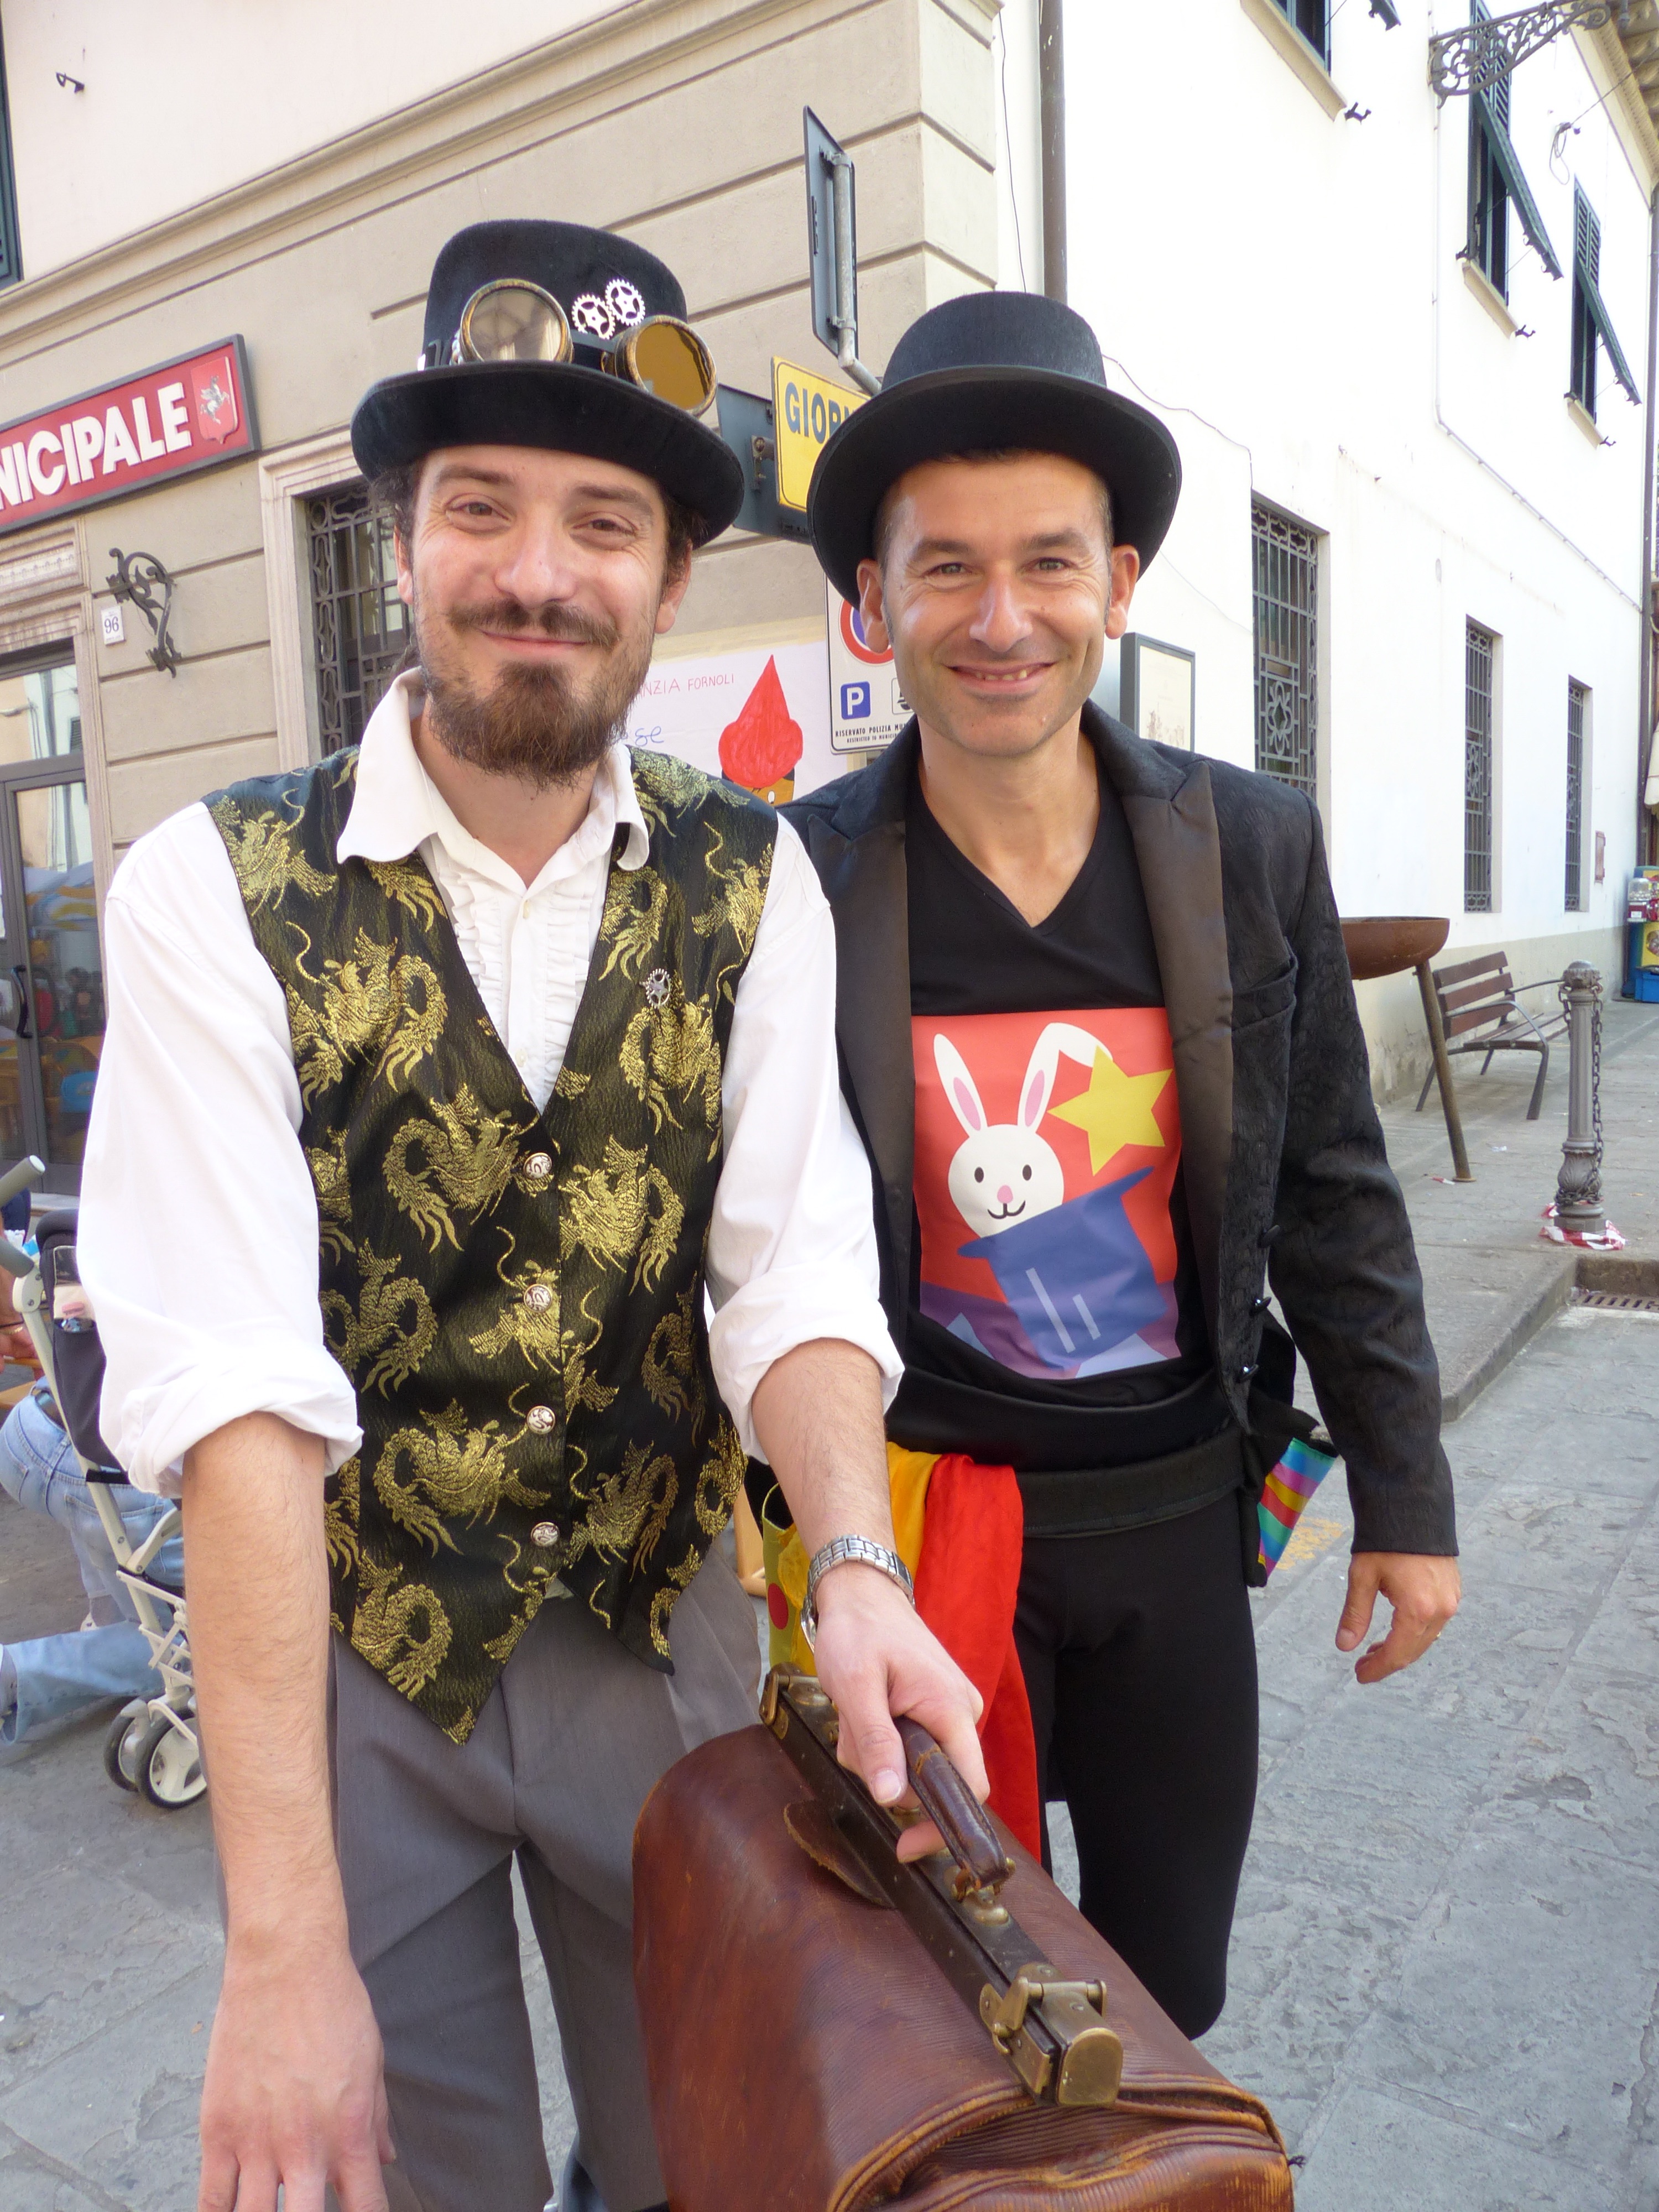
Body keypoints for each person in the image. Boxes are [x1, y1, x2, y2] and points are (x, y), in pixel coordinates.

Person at [79, 221, 983, 2212]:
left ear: (669, 577)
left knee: (711, 2146)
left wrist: (853, 1567)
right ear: (401, 541)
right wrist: (278, 1945)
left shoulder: (753, 878)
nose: (537, 573)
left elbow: (791, 1268)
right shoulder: (209, 889)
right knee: (415, 2174)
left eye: (602, 522)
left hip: (658, 1635)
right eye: (479, 506)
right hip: (354, 1650)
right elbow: (237, 1401)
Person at [785, 291, 1462, 2038]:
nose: (1001, 618)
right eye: (945, 568)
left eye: (1049, 563)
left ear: (1122, 583)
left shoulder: (1247, 845)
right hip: (935, 1519)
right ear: (872, 600)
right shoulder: (802, 881)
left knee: (1170, 1992)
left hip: (1173, 1511)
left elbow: (1330, 1184)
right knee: (945, 1999)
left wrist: (1407, 1497)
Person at [0, 1380, 180, 1750]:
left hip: (33, 1423)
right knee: (188, 1647)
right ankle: (10, 1673)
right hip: (90, 1463)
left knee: (99, 1507)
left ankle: (107, 1618)